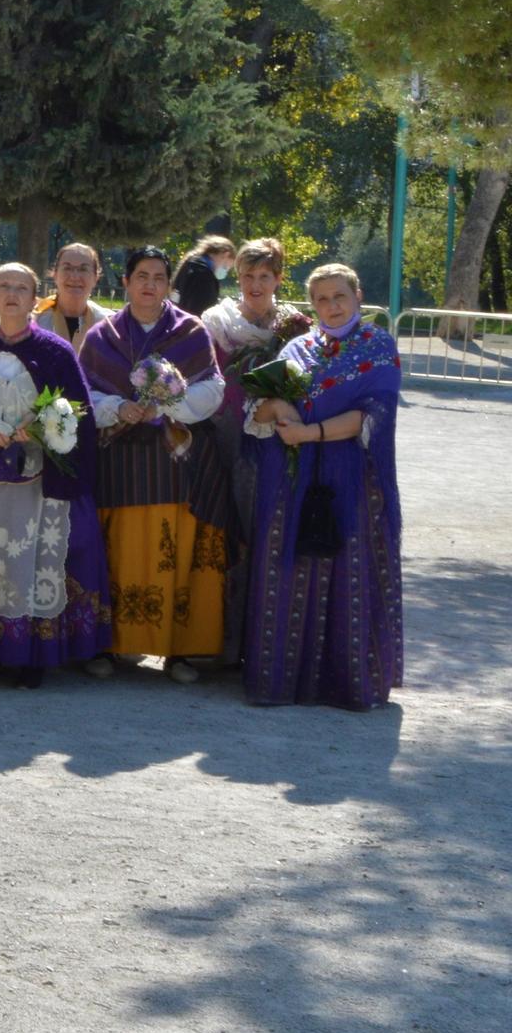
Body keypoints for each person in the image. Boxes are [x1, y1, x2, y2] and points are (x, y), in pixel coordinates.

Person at [0, 263, 112, 687]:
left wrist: (38, 431)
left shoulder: (56, 353)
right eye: (4, 286)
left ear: (36, 298)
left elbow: (78, 419)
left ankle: (29, 655)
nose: (12, 294)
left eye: (22, 287)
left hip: (34, 482)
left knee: (25, 565)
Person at [243, 264, 404, 709]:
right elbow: (256, 414)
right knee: (288, 572)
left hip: (348, 478)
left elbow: (370, 418)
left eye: (339, 297)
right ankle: (285, 682)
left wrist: (309, 434)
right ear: (311, 305)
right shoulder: (297, 347)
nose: (331, 307)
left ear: (358, 296)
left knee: (346, 572)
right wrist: (273, 405)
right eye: (321, 300)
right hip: (291, 479)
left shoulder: (377, 346)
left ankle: (345, 684)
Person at [79, 246, 233, 682]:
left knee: (180, 554)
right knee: (118, 555)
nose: (150, 284)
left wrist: (169, 404)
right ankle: (111, 647)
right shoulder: (100, 337)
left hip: (177, 466)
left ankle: (180, 652)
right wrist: (115, 407)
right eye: (141, 276)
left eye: (159, 277)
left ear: (169, 285)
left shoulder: (191, 331)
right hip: (120, 467)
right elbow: (83, 394)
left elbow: (213, 390)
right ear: (124, 283)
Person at [201, 238, 312, 664]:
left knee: (264, 535)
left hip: (273, 441)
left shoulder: (295, 325)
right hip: (224, 436)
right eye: (247, 275)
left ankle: (259, 642)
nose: (254, 284)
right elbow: (205, 375)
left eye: (264, 276)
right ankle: (219, 642)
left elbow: (307, 382)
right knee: (223, 533)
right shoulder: (217, 321)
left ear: (279, 279)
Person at [33, 242, 107, 354]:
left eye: (83, 269)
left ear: (95, 278)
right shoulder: (35, 319)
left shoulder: (107, 324)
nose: (74, 276)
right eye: (67, 268)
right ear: (55, 274)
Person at [172, 233, 236, 317]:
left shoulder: (189, 264)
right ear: (225, 255)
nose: (225, 272)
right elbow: (202, 311)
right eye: (226, 267)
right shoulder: (205, 276)